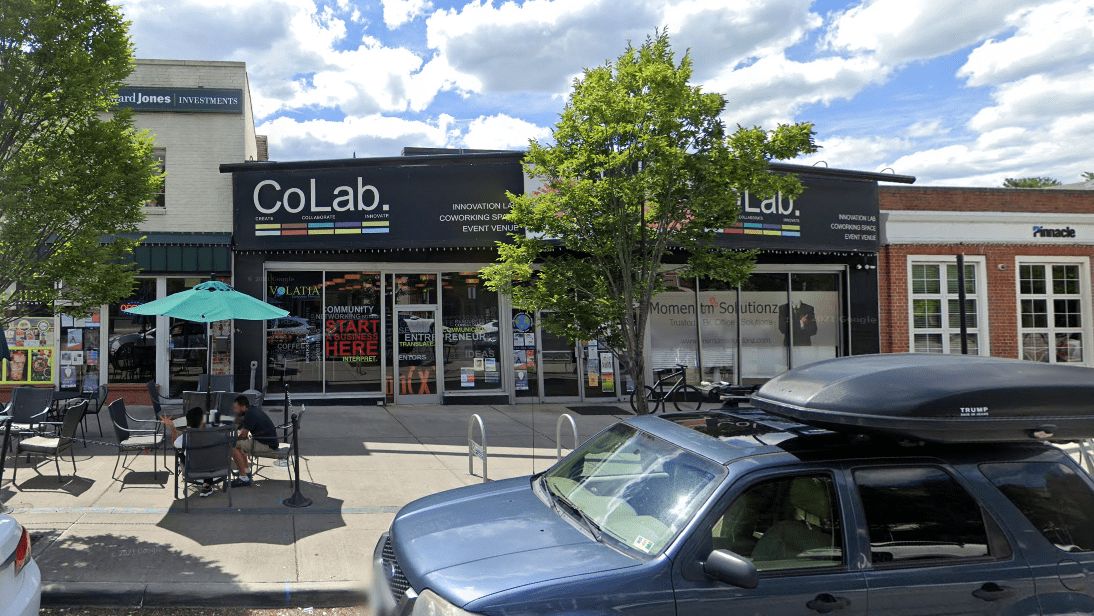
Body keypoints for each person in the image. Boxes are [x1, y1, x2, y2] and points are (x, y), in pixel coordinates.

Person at [160, 407, 217, 497]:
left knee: (180, 453)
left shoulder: (184, 438)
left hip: (191, 470)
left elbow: (175, 444)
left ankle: (204, 483)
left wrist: (173, 427)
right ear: (202, 422)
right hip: (212, 470)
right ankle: (207, 484)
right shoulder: (212, 435)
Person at [231, 395, 278, 487]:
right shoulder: (253, 410)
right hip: (269, 442)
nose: (235, 410)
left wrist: (232, 438)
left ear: (243, 407)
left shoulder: (249, 414)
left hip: (267, 445)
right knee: (240, 444)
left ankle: (243, 478)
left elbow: (243, 435)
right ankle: (246, 471)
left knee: (233, 446)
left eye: (236, 408)